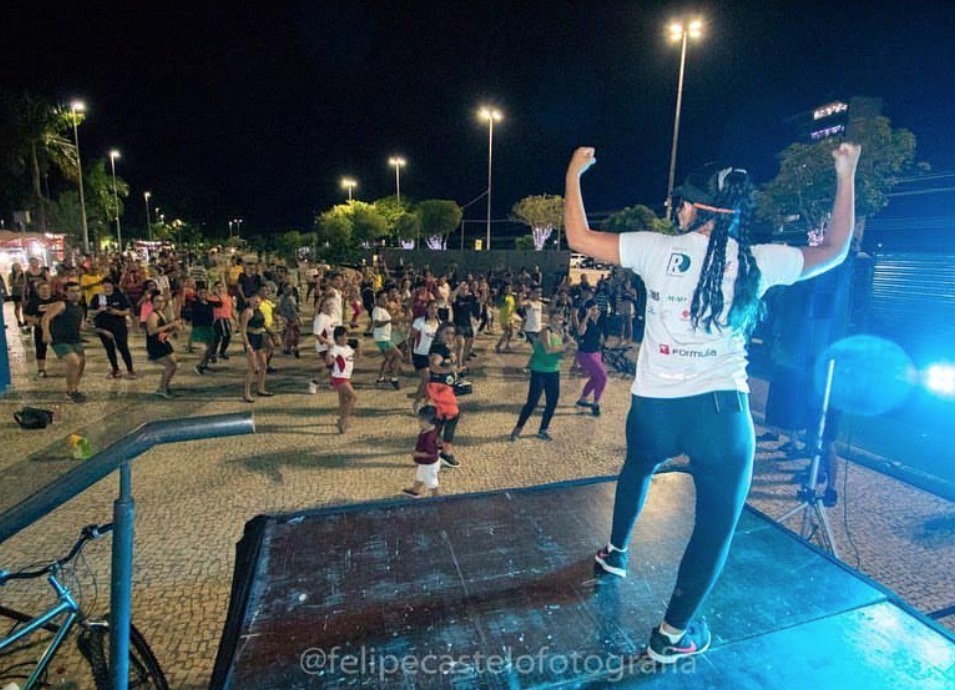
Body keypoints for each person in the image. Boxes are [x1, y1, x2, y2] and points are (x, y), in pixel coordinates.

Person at [563, 142, 860, 664]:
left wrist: (574, 175)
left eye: (680, 203)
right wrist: (846, 173)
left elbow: (578, 236)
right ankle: (671, 636)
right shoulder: (759, 260)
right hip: (722, 418)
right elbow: (835, 249)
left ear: (695, 207)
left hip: (655, 409)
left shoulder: (656, 249)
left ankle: (616, 554)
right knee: (715, 526)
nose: (675, 210)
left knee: (638, 467)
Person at [510, 321, 565, 441]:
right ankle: (517, 429)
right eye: (557, 317)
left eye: (561, 317)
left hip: (554, 371)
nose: (559, 320)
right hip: (539, 371)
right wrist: (566, 345)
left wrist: (566, 351)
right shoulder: (545, 332)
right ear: (551, 317)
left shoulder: (561, 333)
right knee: (532, 402)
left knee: (552, 402)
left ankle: (543, 429)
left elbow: (560, 355)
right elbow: (548, 349)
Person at [40, 281, 87, 403]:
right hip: (59, 339)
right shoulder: (61, 305)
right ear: (65, 293)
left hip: (74, 339)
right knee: (73, 360)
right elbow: (46, 318)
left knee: (81, 363)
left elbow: (81, 326)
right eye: (72, 291)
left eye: (78, 291)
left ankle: (74, 388)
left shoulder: (80, 308)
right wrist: (46, 332)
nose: (76, 294)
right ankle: (70, 391)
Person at [427, 322, 462, 468]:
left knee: (440, 419)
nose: (449, 336)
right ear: (439, 333)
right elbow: (434, 365)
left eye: (451, 333)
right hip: (441, 389)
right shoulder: (439, 348)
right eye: (446, 333)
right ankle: (446, 454)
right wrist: (448, 369)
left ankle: (431, 446)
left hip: (442, 387)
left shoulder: (444, 347)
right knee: (453, 417)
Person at [89, 278, 137, 379]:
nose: (107, 289)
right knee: (109, 349)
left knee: (123, 348)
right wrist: (99, 310)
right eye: (105, 287)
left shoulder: (119, 296)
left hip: (119, 326)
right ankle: (115, 369)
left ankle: (130, 369)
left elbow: (127, 310)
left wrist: (118, 312)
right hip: (103, 327)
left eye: (109, 287)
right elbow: (91, 312)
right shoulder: (97, 297)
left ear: (112, 287)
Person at [145, 290, 182, 398]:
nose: (160, 303)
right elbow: (152, 331)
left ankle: (165, 386)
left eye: (162, 301)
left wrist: (173, 330)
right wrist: (171, 324)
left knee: (173, 365)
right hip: (156, 344)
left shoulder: (162, 313)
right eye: (157, 301)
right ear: (152, 303)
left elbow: (163, 331)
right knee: (171, 365)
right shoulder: (153, 315)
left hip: (163, 341)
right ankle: (162, 388)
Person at [574, 299, 608, 416]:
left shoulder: (598, 321)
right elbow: (580, 332)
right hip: (585, 354)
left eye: (596, 309)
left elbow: (601, 337)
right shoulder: (586, 321)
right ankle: (595, 403)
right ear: (588, 310)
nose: (596, 311)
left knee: (596, 377)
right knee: (603, 377)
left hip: (596, 352)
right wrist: (587, 316)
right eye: (593, 309)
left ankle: (583, 399)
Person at [240, 292, 273, 403]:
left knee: (263, 365)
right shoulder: (248, 312)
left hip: (260, 338)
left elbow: (263, 325)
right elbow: (243, 330)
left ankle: (261, 388)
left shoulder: (259, 311)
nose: (256, 303)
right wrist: (247, 345)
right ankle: (246, 392)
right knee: (252, 367)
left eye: (258, 301)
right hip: (251, 339)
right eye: (255, 301)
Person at [402, 405, 441, 498]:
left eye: (420, 420)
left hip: (429, 464)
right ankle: (415, 490)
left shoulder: (429, 437)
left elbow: (429, 453)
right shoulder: (432, 429)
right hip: (426, 463)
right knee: (420, 476)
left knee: (431, 481)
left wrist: (416, 453)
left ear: (427, 422)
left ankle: (436, 496)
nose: (419, 422)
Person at [411, 299, 441, 412]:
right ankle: (417, 402)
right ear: (427, 309)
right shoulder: (419, 322)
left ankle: (426, 403)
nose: (434, 310)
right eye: (432, 307)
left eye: (436, 308)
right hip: (420, 355)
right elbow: (411, 337)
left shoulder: (440, 323)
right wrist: (408, 353)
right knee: (426, 378)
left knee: (431, 381)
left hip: (433, 356)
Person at [23, 281, 57, 379]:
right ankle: (41, 369)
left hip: (55, 328)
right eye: (43, 289)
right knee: (41, 348)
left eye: (47, 289)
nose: (45, 291)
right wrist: (36, 320)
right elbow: (26, 316)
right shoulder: (33, 302)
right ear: (38, 291)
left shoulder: (56, 300)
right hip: (40, 328)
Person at [328, 326, 359, 433]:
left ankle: (342, 420)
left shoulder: (348, 348)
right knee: (353, 397)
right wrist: (329, 351)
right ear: (338, 337)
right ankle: (344, 420)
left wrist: (359, 346)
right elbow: (330, 361)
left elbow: (357, 357)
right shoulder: (336, 349)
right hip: (339, 378)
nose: (346, 338)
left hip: (346, 377)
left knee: (343, 401)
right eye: (344, 336)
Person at [372, 291, 401, 389]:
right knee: (399, 355)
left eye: (386, 298)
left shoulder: (383, 310)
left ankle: (380, 378)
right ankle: (394, 379)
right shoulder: (377, 310)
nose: (385, 300)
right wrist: (389, 320)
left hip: (384, 337)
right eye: (383, 298)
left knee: (388, 358)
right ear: (377, 300)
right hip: (382, 339)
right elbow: (376, 323)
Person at [190, 283, 217, 375]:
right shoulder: (195, 303)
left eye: (205, 293)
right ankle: (199, 365)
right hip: (199, 327)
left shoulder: (210, 303)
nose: (203, 294)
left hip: (209, 327)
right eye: (201, 293)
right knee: (204, 348)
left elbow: (221, 304)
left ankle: (204, 364)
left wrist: (216, 294)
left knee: (210, 347)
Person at [7, 262, 26, 328]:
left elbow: (26, 283)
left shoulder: (24, 274)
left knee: (24, 307)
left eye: (18, 266)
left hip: (24, 293)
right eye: (16, 267)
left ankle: (25, 320)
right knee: (17, 307)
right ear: (13, 268)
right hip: (16, 293)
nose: (18, 268)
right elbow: (11, 284)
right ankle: (18, 320)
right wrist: (17, 277)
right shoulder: (11, 275)